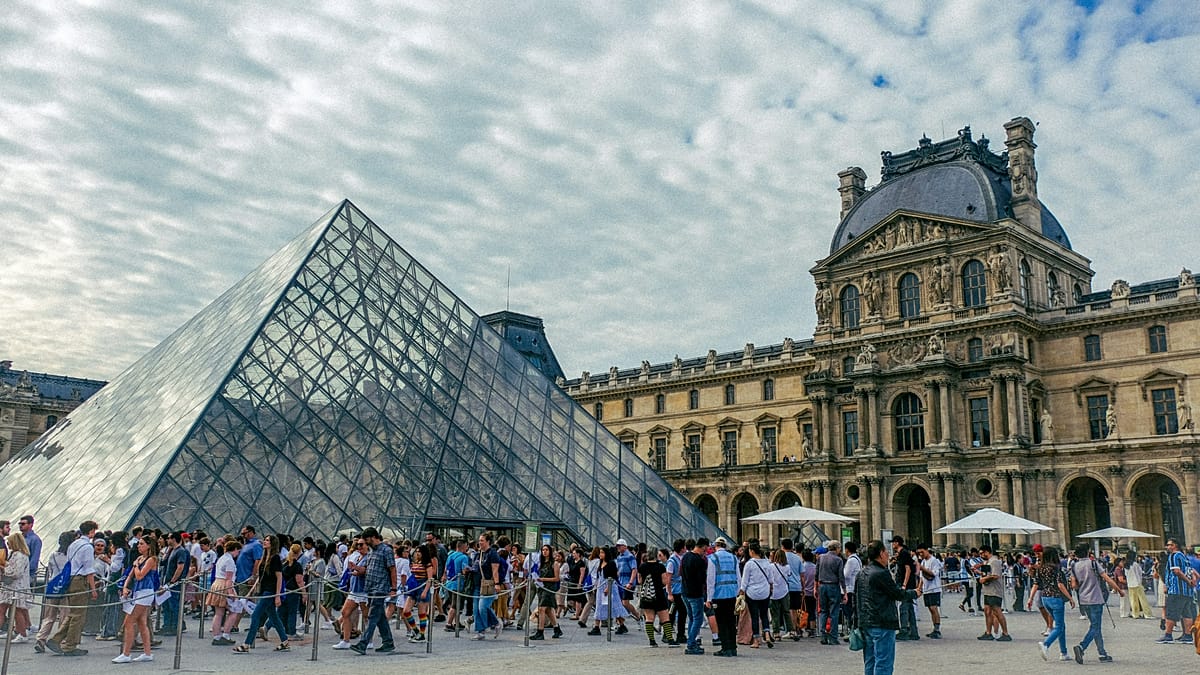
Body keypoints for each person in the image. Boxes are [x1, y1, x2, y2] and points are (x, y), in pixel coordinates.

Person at [856, 540, 920, 675]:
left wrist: (857, 621)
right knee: (883, 663)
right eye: (886, 552)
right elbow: (896, 593)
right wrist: (915, 593)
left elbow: (856, 599)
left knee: (870, 661)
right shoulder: (881, 573)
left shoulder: (861, 573)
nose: (888, 555)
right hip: (882, 622)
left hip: (866, 623)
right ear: (881, 554)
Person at [46, 520, 98, 657]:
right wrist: (93, 589)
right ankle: (70, 645)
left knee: (73, 613)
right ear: (91, 531)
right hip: (80, 581)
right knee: (78, 615)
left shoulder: (73, 544)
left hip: (70, 580)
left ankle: (56, 639)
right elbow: (89, 570)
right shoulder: (87, 547)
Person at [232, 534, 289, 653]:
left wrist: (278, 595)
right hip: (264, 590)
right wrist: (251, 591)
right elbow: (260, 577)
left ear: (272, 543)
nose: (264, 542)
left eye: (267, 540)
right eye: (265, 540)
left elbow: (279, 577)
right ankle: (285, 641)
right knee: (274, 617)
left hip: (270, 591)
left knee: (256, 615)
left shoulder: (275, 558)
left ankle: (247, 644)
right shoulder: (264, 557)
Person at [1070, 543, 1124, 663]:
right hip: (1095, 598)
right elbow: (1107, 578)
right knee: (1095, 626)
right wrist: (1119, 590)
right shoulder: (1093, 563)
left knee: (1095, 626)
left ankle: (1102, 653)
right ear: (1088, 551)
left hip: (1084, 600)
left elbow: (1074, 585)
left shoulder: (1074, 565)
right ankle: (1081, 647)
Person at [348, 527, 396, 655]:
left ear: (373, 537)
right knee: (380, 616)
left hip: (380, 588)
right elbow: (367, 569)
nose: (365, 542)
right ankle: (388, 641)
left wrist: (394, 588)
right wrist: (356, 568)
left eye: (366, 539)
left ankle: (363, 643)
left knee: (372, 616)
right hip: (370, 587)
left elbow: (392, 569)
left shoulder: (386, 550)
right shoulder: (371, 551)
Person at [112, 536, 158, 663]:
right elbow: (130, 575)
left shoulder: (152, 559)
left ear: (148, 546)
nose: (139, 546)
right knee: (141, 623)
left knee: (129, 621)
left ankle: (126, 653)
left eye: (142, 544)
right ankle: (147, 653)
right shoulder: (139, 558)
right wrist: (125, 587)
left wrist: (136, 565)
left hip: (146, 592)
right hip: (138, 592)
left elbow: (139, 575)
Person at [1028, 545, 1076, 661]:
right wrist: (1070, 598)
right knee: (1059, 626)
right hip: (1056, 598)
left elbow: (1036, 584)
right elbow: (1060, 584)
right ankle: (1046, 644)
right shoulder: (1056, 568)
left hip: (1045, 598)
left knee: (1061, 625)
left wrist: (1030, 598)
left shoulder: (1040, 568)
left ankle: (1063, 652)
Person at [739, 542, 783, 649]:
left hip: (752, 593)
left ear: (752, 551)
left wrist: (741, 591)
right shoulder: (767, 563)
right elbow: (771, 579)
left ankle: (756, 640)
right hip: (765, 592)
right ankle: (767, 635)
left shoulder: (749, 564)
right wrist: (770, 588)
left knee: (754, 616)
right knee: (764, 615)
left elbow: (745, 580)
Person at [1156, 537, 1196, 644]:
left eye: (1170, 545)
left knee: (1171, 613)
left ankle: (1168, 635)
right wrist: (1192, 581)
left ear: (1175, 546)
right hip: (1187, 591)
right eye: (1168, 545)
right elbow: (1192, 571)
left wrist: (1187, 580)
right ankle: (1188, 635)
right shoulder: (1184, 556)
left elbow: (1176, 571)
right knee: (1186, 613)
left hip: (1176, 589)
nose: (1168, 547)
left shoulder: (1174, 556)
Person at [706, 536, 739, 657]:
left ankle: (725, 648)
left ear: (716, 546)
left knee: (721, 622)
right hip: (732, 593)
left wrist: (709, 598)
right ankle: (733, 647)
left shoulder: (712, 558)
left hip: (719, 594)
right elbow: (738, 576)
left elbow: (711, 580)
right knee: (731, 621)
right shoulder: (734, 558)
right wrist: (738, 592)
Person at [636, 547, 672, 647]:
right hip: (659, 595)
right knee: (665, 618)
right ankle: (670, 639)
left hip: (646, 596)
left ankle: (652, 641)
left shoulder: (642, 566)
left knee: (649, 618)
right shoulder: (660, 567)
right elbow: (664, 581)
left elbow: (640, 581)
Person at [0, 532, 32, 642]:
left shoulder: (20, 556)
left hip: (16, 587)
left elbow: (16, 572)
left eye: (9, 542)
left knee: (17, 611)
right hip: (11, 587)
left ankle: (22, 633)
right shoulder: (15, 554)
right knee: (9, 610)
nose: (8, 544)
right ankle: (18, 631)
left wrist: (3, 568)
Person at [208, 539, 241, 645]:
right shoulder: (230, 561)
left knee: (218, 613)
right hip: (225, 585)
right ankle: (226, 635)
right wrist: (231, 592)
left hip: (217, 583)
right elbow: (228, 579)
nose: (238, 553)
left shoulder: (222, 558)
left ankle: (216, 636)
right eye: (238, 551)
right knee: (234, 611)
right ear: (234, 549)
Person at [680, 537, 708, 655]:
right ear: (703, 547)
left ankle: (692, 641)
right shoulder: (699, 561)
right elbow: (702, 579)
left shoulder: (685, 557)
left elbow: (681, 573)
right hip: (695, 593)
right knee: (698, 619)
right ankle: (691, 643)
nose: (705, 552)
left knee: (692, 618)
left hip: (685, 591)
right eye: (705, 550)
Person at [159, 531, 190, 635]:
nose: (167, 540)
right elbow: (163, 563)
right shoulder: (172, 550)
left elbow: (180, 567)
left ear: (174, 539)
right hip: (168, 582)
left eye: (169, 538)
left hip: (174, 584)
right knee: (167, 605)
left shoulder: (180, 551)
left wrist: (173, 581)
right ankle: (167, 626)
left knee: (174, 606)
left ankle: (175, 627)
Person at [976, 545, 1011, 641]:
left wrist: (984, 579)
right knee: (987, 611)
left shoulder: (994, 561)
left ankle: (1005, 633)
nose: (981, 555)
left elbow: (996, 575)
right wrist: (979, 573)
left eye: (982, 553)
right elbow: (987, 574)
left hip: (995, 590)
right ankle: (988, 632)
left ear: (987, 552)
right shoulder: (987, 562)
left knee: (997, 611)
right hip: (988, 590)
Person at [473, 532, 502, 641]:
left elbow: (495, 570)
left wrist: (497, 584)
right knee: (476, 609)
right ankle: (480, 631)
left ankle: (496, 622)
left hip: (488, 584)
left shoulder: (492, 553)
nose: (480, 542)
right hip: (477, 583)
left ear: (488, 542)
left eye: (482, 540)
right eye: (479, 540)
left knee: (483, 607)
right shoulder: (478, 554)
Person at [815, 540, 846, 645]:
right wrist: (845, 591)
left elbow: (816, 574)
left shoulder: (821, 558)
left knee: (823, 611)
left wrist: (815, 587)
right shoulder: (838, 560)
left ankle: (823, 635)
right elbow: (841, 577)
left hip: (822, 586)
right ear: (837, 548)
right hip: (833, 586)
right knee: (834, 612)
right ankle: (833, 637)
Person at [529, 544, 562, 640]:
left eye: (546, 550)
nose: (544, 552)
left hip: (549, 588)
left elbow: (556, 578)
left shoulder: (554, 564)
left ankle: (540, 631)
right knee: (548, 610)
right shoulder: (541, 563)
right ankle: (556, 628)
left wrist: (543, 579)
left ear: (550, 551)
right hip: (541, 587)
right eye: (543, 550)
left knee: (541, 609)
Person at [890, 536, 919, 641]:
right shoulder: (902, 554)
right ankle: (914, 632)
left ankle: (904, 630)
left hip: (905, 584)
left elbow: (908, 569)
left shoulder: (903, 553)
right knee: (909, 607)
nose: (892, 545)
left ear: (897, 543)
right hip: (907, 584)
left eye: (893, 542)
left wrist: (904, 585)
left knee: (903, 608)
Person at [915, 543, 943, 638]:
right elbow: (922, 577)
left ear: (927, 550)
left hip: (934, 588)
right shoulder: (923, 561)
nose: (921, 554)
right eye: (919, 553)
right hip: (926, 589)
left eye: (922, 552)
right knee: (930, 609)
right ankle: (934, 628)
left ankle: (937, 630)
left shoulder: (934, 560)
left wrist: (922, 568)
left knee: (934, 608)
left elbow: (934, 574)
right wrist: (919, 588)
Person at [281, 543, 306, 640]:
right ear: (299, 552)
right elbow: (299, 581)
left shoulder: (285, 563)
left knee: (281, 612)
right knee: (292, 612)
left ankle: (267, 627)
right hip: (293, 591)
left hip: (284, 590)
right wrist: (304, 593)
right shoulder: (297, 566)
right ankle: (292, 632)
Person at [1124, 553, 1152, 619]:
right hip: (1137, 583)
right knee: (1143, 599)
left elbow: (1126, 574)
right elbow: (1139, 573)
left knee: (1133, 600)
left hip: (1130, 584)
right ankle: (1147, 614)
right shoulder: (1135, 564)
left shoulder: (1126, 565)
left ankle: (1135, 614)